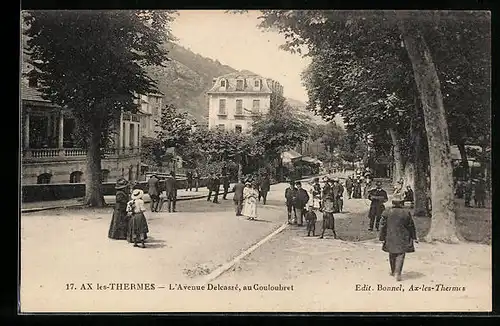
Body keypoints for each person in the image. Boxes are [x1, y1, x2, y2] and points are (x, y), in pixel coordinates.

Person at [379, 200, 418, 281]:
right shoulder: (406, 213)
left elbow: (382, 226)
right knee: (400, 254)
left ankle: (393, 271)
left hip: (390, 236)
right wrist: (414, 237)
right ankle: (398, 273)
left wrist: (382, 238)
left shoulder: (387, 212)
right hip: (403, 237)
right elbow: (411, 226)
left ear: (393, 204)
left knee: (391, 253)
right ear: (401, 204)